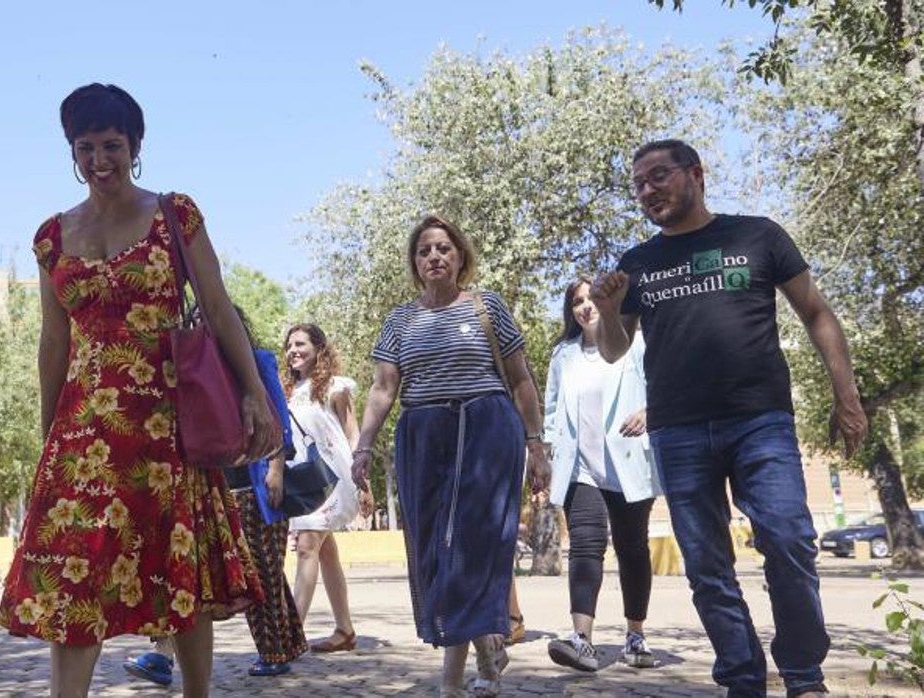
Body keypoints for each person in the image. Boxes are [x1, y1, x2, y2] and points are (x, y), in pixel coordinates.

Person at [0, 83, 279, 698]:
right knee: (75, 577)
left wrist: (253, 392)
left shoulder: (175, 215)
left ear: (136, 146)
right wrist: (50, 435)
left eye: (112, 145)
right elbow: (53, 342)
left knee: (183, 570)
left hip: (168, 422)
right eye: (86, 147)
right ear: (72, 151)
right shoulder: (51, 237)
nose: (100, 160)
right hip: (84, 433)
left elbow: (218, 308)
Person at [590, 139, 867, 698]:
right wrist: (609, 311)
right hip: (678, 430)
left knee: (789, 539)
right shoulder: (637, 263)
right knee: (706, 565)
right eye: (638, 184)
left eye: (658, 176)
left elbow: (816, 313)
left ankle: (803, 676)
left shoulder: (757, 236)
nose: (647, 190)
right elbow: (614, 350)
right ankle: (742, 679)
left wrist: (847, 396)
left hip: (759, 420)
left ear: (696, 173)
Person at [349, 215, 549, 698]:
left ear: (461, 257)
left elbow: (521, 379)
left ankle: (451, 682)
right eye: (424, 251)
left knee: (466, 549)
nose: (434, 256)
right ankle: (487, 646)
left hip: (486, 432)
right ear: (414, 263)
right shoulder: (400, 320)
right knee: (433, 552)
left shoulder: (486, 306)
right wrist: (364, 445)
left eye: (443, 248)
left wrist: (536, 443)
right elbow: (383, 388)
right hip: (423, 437)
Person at [123, 307, 306, 685]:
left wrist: (275, 468)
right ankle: (162, 655)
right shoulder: (187, 366)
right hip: (209, 485)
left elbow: (278, 418)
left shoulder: (257, 362)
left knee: (264, 574)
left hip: (255, 486)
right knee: (187, 572)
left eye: (207, 322)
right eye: (194, 323)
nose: (199, 329)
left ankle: (275, 650)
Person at [542, 277, 662, 673]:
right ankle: (582, 640)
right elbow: (552, 410)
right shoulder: (563, 355)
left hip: (628, 461)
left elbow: (660, 388)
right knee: (584, 545)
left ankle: (635, 636)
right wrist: (548, 452)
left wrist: (648, 413)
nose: (585, 306)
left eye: (592, 298)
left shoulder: (636, 344)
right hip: (581, 467)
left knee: (632, 547)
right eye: (577, 301)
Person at [281, 323, 362, 652]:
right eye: (289, 346)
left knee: (307, 546)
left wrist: (363, 480)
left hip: (335, 479)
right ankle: (345, 630)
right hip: (307, 482)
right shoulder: (288, 391)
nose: (293, 351)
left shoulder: (335, 387)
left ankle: (291, 636)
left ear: (319, 348)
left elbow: (353, 434)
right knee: (324, 552)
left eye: (300, 344)